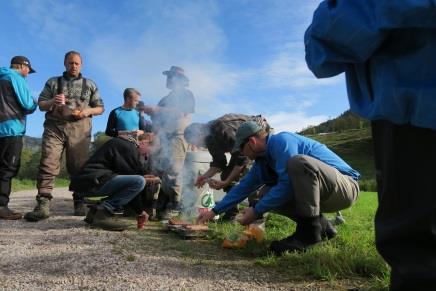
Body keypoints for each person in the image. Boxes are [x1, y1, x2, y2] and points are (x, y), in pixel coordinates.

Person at [304, 1, 436, 289]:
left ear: (252, 141)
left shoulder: (283, 146)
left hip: (416, 109)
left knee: (418, 251)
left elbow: (323, 52)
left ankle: (310, 231)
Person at [197, 120, 360, 254]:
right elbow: (243, 187)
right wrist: (214, 211)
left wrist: (257, 210)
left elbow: (288, 183)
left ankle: (307, 234)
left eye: (241, 148)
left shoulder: (282, 141)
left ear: (252, 142)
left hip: (345, 187)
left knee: (297, 163)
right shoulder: (263, 161)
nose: (242, 154)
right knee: (266, 192)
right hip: (323, 192)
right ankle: (323, 228)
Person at [24, 51, 104, 221]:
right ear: (64, 64)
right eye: (70, 63)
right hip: (55, 128)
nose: (73, 66)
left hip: (80, 130)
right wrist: (53, 101)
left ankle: (79, 200)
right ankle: (43, 204)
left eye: (76, 63)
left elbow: (100, 108)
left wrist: (87, 111)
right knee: (48, 162)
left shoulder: (90, 84)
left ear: (81, 65)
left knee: (78, 166)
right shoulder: (53, 82)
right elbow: (42, 105)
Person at [184, 114, 270, 220]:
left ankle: (256, 216)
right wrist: (204, 177)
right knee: (226, 175)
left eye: (194, 142)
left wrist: (228, 181)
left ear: (198, 133)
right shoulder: (209, 139)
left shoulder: (220, 129)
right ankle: (231, 214)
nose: (197, 146)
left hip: (257, 138)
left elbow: (242, 158)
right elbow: (219, 162)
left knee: (251, 175)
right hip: (240, 151)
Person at [69, 134, 156, 231]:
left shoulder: (126, 144)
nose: (145, 157)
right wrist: (140, 211)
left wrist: (140, 211)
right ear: (144, 143)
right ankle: (102, 214)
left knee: (139, 180)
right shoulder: (129, 148)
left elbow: (127, 180)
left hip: (89, 182)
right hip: (91, 183)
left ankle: (94, 214)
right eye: (147, 154)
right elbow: (134, 185)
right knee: (139, 181)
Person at [142, 66, 195, 219]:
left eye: (171, 76)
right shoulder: (165, 99)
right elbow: (158, 120)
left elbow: (180, 112)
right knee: (159, 170)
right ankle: (160, 204)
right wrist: (152, 113)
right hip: (163, 136)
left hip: (178, 134)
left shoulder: (186, 94)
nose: (168, 79)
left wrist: (157, 109)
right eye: (168, 76)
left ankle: (175, 205)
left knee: (173, 170)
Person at [0, 56, 37, 220]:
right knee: (7, 169)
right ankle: (1, 206)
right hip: (11, 129)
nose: (28, 73)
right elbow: (27, 104)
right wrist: (36, 103)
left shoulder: (2, 77)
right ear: (22, 66)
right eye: (28, 69)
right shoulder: (16, 78)